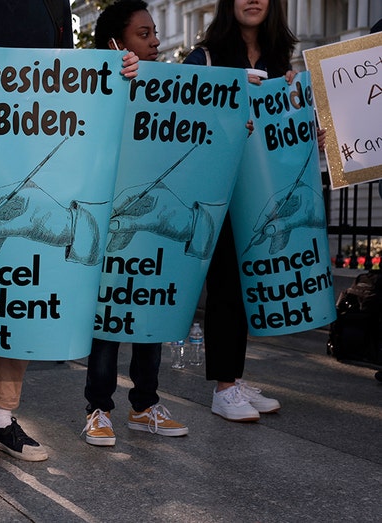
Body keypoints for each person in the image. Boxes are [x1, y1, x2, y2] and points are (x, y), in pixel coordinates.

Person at [0, 0, 139, 469]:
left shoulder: (53, 2)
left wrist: (117, 71)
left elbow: (72, 80)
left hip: (39, 168)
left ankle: (2, 417)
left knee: (25, 291)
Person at [80, 0, 188, 447]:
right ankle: (98, 410)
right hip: (112, 221)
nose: (156, 42)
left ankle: (144, 405)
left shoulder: (174, 89)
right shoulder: (92, 87)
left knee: (149, 309)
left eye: (155, 33)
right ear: (115, 44)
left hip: (150, 223)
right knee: (108, 317)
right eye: (144, 34)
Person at [182, 0, 295, 422]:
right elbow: (181, 117)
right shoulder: (205, 58)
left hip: (260, 188)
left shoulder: (278, 59)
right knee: (227, 282)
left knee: (248, 286)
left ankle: (235, 376)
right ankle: (224, 387)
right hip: (219, 186)